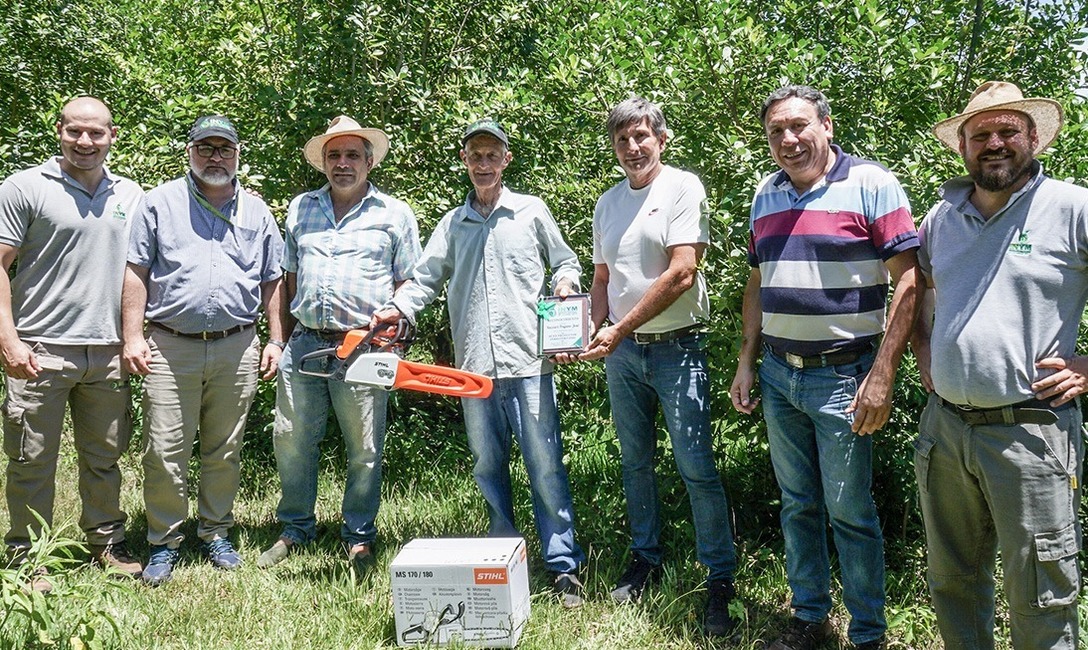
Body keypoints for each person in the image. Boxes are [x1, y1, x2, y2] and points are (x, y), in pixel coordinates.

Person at [730, 85, 921, 650]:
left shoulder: (872, 183)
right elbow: (758, 281)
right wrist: (746, 361)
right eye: (776, 131)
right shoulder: (765, 194)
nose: (788, 139)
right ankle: (810, 621)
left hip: (845, 376)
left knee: (850, 513)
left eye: (799, 126)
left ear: (827, 125)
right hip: (777, 374)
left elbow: (909, 279)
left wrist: (883, 374)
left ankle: (868, 635)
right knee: (798, 505)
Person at [373, 119, 587, 607]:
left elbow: (566, 261)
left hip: (531, 363)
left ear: (506, 160)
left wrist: (566, 284)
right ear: (465, 162)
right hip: (474, 370)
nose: (484, 164)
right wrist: (397, 308)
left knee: (546, 465)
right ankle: (505, 555)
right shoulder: (452, 223)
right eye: (475, 155)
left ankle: (562, 566)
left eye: (492, 155)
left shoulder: (531, 212)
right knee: (488, 466)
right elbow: (425, 280)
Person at [913, 81, 1084, 649]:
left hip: (1030, 434)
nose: (994, 143)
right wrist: (928, 356)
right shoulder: (941, 216)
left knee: (1041, 593)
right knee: (953, 581)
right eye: (980, 133)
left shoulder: (1072, 207)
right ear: (962, 146)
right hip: (946, 429)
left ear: (1033, 137)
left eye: (1008, 130)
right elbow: (924, 293)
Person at [573, 96, 737, 635]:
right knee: (635, 462)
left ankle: (719, 580)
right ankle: (645, 558)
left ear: (661, 139)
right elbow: (601, 280)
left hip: (677, 348)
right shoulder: (607, 203)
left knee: (696, 467)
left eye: (642, 136)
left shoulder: (683, 187)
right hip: (623, 356)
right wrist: (587, 335)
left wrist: (618, 327)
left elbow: (683, 272)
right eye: (622, 139)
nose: (633, 147)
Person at [122, 115, 286, 586]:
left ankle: (214, 530)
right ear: (190, 150)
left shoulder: (257, 212)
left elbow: (273, 278)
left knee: (223, 448)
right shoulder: (158, 204)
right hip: (171, 347)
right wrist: (133, 337)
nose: (216, 156)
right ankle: (164, 541)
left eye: (225, 148)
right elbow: (136, 271)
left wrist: (275, 339)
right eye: (206, 147)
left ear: (238, 154)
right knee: (164, 448)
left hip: (238, 347)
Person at [258, 116, 421, 570]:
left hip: (366, 348)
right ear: (323, 163)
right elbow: (286, 279)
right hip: (305, 342)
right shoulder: (300, 208)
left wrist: (396, 330)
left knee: (365, 447)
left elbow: (412, 280)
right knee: (291, 439)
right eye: (335, 155)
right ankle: (295, 528)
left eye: (353, 155)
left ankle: (360, 537)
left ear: (370, 162)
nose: (343, 163)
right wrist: (280, 340)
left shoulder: (394, 213)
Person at [0, 96, 145, 585]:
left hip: (106, 353)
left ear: (113, 136)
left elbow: (136, 271)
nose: (85, 142)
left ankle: (105, 542)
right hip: (40, 349)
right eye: (75, 131)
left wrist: (133, 337)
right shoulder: (24, 187)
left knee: (105, 457)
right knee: (31, 460)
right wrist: (8, 340)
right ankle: (27, 555)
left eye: (96, 133)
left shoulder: (131, 194)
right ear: (59, 129)